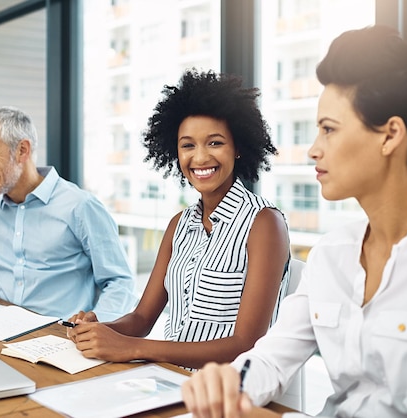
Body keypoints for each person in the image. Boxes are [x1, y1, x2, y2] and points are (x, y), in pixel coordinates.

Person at [181, 25, 407, 418]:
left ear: (389, 135)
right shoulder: (332, 255)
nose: (313, 149)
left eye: (329, 130)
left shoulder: (262, 222)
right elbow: (269, 360)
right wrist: (227, 387)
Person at [66, 69, 290, 370]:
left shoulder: (263, 223)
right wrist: (99, 331)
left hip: (225, 393)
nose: (199, 158)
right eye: (188, 145)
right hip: (169, 381)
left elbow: (245, 344)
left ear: (238, 147)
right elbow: (141, 319)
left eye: (214, 143)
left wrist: (132, 348)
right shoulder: (178, 225)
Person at [0, 106, 136, 321]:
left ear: (22, 150)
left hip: (62, 335)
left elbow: (120, 281)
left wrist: (95, 324)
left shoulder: (80, 206)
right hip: (3, 328)